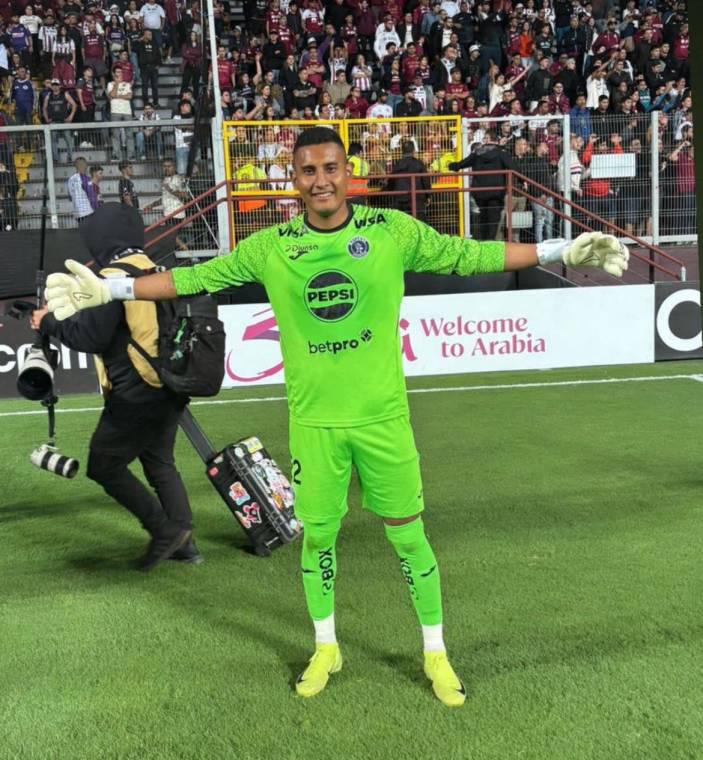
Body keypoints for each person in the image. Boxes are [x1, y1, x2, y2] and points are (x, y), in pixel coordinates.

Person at [44, 127, 629, 706]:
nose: (320, 180)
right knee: (317, 539)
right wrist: (111, 292)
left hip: (383, 421)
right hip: (315, 426)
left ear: (346, 173)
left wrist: (558, 249)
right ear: (293, 179)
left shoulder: (390, 231)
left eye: (330, 168)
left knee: (409, 538)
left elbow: (467, 254)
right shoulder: (272, 246)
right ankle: (326, 647)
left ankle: (435, 653)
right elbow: (194, 277)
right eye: (308, 171)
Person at [34, 203, 198, 571]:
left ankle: (164, 531)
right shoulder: (154, 269)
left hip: (134, 390)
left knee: (103, 466)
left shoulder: (109, 279)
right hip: (170, 383)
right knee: (160, 464)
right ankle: (185, 542)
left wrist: (50, 324)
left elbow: (90, 336)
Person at [448, 129, 513, 240]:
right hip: (496, 193)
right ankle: (490, 242)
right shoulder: (501, 153)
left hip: (480, 192)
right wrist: (523, 181)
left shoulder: (477, 152)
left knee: (483, 217)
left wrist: (451, 166)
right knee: (493, 220)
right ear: (495, 140)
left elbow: (462, 164)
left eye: (484, 138)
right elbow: (513, 167)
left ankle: (484, 242)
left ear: (487, 139)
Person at [390, 139, 431, 220]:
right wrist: (428, 195)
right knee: (419, 224)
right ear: (413, 151)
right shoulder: (419, 163)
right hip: (417, 199)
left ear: (402, 152)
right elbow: (426, 181)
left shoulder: (397, 164)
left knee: (403, 225)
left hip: (400, 200)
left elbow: (391, 181)